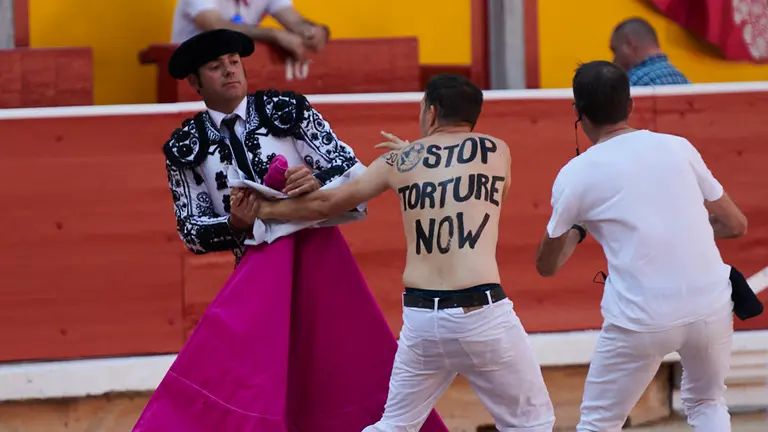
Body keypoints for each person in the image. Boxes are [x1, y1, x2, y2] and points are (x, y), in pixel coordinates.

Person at [133, 28, 446, 432]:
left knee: (339, 361)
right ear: (195, 83)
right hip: (257, 272)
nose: (230, 72)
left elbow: (348, 169)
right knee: (261, 375)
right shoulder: (185, 147)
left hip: (319, 256)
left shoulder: (287, 110)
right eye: (216, 67)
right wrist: (234, 223)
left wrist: (314, 179)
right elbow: (191, 230)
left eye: (234, 63)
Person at [247, 74, 556, 432]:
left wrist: (264, 211)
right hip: (481, 313)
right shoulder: (498, 151)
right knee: (532, 423)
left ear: (432, 112)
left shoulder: (401, 162)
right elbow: (457, 178)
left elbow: (327, 203)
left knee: (394, 425)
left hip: (423, 320)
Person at [535, 60, 748, 431]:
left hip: (641, 317)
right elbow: (736, 224)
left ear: (578, 114)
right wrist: (681, 231)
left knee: (600, 421)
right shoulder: (678, 147)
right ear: (630, 105)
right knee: (707, 403)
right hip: (709, 305)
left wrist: (581, 228)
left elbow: (547, 265)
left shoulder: (577, 174)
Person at [171, 0, 329, 60]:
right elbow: (214, 25)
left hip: (231, 75)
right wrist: (272, 34)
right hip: (191, 72)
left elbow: (295, 21)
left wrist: (313, 32)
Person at [610, 17, 690, 86]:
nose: (614, 60)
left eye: (615, 51)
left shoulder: (633, 82)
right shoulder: (683, 80)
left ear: (629, 44)